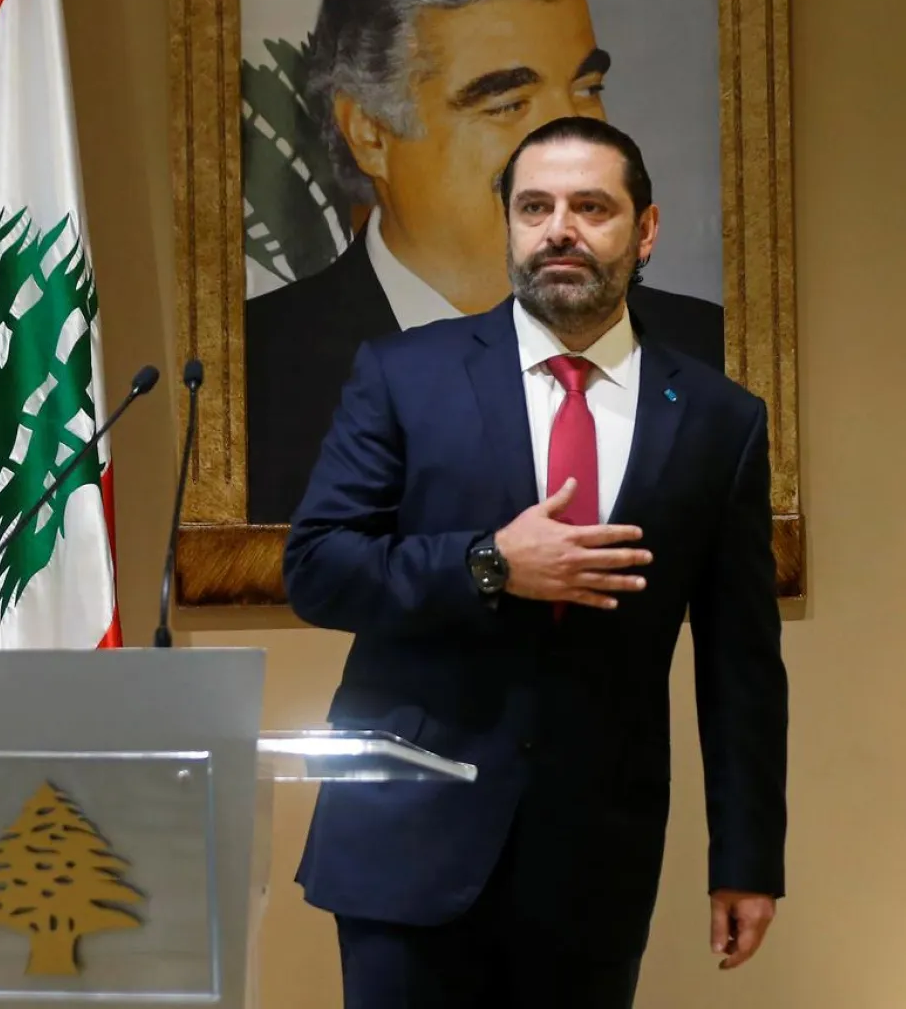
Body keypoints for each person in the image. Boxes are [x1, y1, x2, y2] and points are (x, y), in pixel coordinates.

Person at [283, 116, 787, 1008]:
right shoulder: (406, 376)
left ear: (646, 230)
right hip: (406, 845)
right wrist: (488, 565)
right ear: (510, 226)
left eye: (591, 206)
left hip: (591, 859)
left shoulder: (717, 419)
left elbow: (740, 664)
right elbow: (319, 568)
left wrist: (746, 859)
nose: (560, 228)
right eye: (535, 207)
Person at [245, 0, 723, 524]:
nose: (573, 141)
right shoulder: (254, 376)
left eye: (586, 88)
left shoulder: (704, 353)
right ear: (370, 133)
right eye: (507, 105)